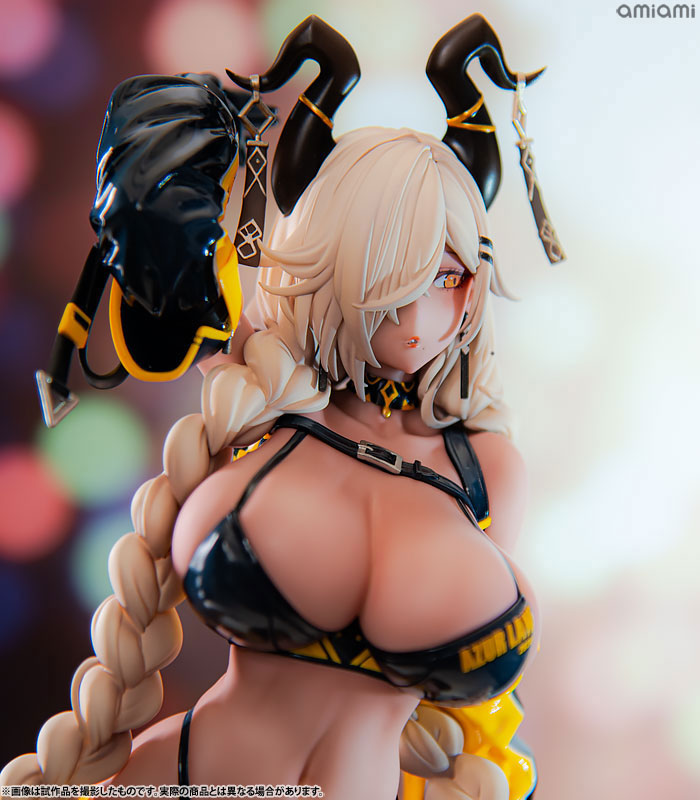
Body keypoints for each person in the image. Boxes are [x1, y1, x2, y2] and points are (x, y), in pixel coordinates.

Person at [1, 16, 550, 800]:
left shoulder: (487, 469)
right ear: (333, 262)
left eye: (451, 275)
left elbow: (468, 719)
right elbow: (155, 294)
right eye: (395, 273)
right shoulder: (261, 390)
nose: (426, 310)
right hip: (181, 780)